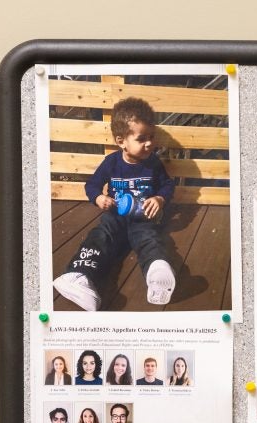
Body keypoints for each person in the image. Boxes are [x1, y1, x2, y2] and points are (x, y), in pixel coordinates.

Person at [52, 97, 176, 311]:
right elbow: (92, 185)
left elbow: (167, 185)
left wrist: (159, 199)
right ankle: (78, 275)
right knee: (101, 236)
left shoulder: (153, 163)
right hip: (115, 215)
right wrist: (99, 198)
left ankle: (157, 273)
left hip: (142, 218)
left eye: (151, 137)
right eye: (142, 138)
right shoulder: (111, 163)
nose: (149, 143)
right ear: (121, 141)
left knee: (149, 239)